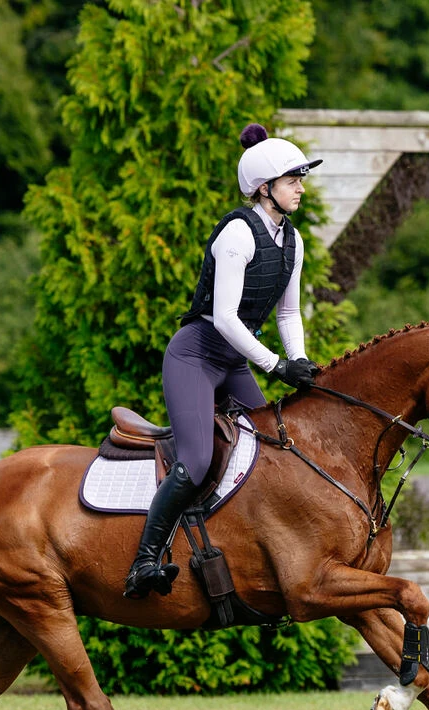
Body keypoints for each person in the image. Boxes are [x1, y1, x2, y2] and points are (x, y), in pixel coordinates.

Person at [123, 123, 323, 600]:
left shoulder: (292, 241)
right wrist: (276, 366)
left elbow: (289, 312)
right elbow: (227, 318)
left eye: (300, 178)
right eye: (292, 179)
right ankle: (144, 562)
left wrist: (299, 360)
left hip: (233, 362)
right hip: (195, 356)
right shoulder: (237, 233)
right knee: (196, 459)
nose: (301, 187)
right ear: (264, 188)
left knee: (274, 448)